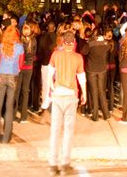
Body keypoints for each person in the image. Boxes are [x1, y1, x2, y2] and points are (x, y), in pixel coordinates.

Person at [42, 29, 87, 176]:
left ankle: (53, 164)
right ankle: (65, 163)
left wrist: (48, 92)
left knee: (55, 130)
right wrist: (84, 94)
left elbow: (49, 75)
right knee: (68, 131)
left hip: (58, 94)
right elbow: (81, 77)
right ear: (73, 43)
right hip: (71, 95)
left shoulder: (56, 55)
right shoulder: (78, 58)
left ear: (63, 42)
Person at [0, 24, 24, 144]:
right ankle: (6, 137)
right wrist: (16, 71)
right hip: (13, 76)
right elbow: (20, 63)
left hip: (2, 75)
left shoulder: (1, 46)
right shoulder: (19, 47)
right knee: (9, 107)